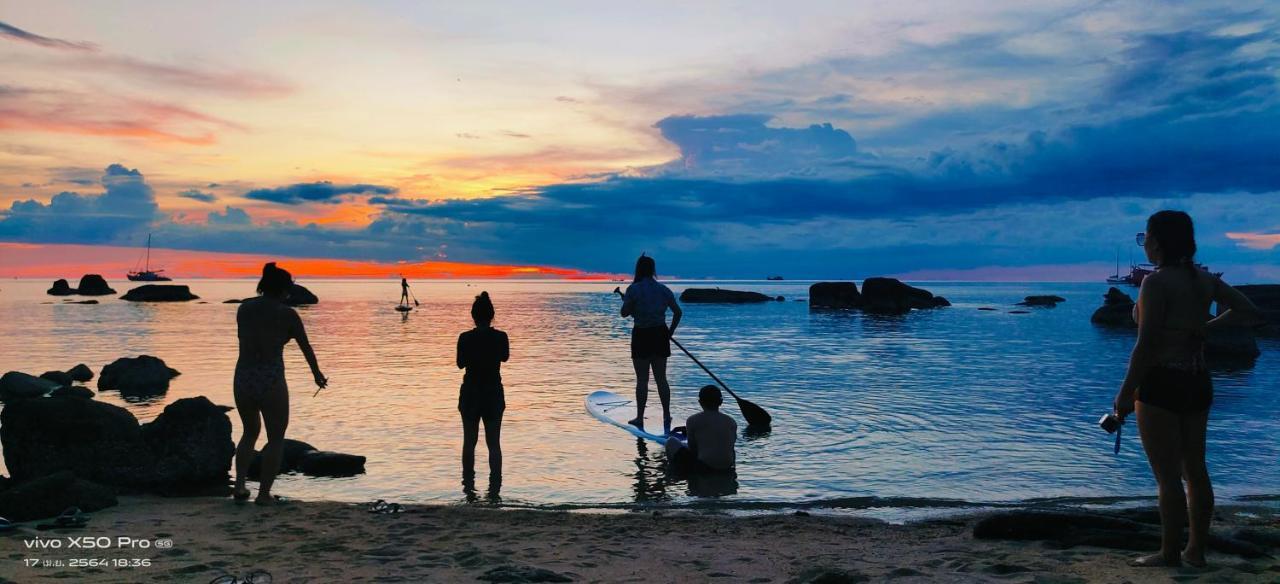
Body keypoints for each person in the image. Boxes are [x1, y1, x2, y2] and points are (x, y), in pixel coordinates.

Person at [1113, 211, 1260, 568]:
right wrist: (1206, 326)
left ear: (1158, 241)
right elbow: (1247, 309)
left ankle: (1168, 553)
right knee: (1196, 470)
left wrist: (1125, 393)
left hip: (1161, 382)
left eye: (1145, 236)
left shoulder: (1156, 283)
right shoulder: (1203, 280)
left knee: (1167, 477)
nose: (1143, 242)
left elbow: (1145, 346)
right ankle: (1195, 551)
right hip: (1198, 381)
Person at [233, 262, 327, 505]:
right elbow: (305, 346)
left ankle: (240, 487)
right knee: (276, 438)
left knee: (249, 432)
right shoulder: (287, 314)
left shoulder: (244, 309)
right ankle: (263, 495)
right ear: (284, 288)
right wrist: (316, 374)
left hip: (243, 376)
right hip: (271, 378)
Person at [620, 254, 682, 432]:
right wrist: (669, 333)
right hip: (660, 334)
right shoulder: (663, 290)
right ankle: (666, 414)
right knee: (661, 378)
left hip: (641, 335)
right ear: (653, 270)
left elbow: (624, 313)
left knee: (642, 380)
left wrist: (627, 304)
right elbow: (678, 313)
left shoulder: (634, 289)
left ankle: (639, 417)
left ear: (638, 269)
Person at [457, 291, 509, 495]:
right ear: (491, 315)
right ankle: (494, 491)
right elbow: (505, 357)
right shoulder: (501, 337)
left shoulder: (464, 338)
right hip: (493, 392)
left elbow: (460, 363)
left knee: (469, 442)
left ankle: (468, 489)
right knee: (494, 444)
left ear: (473, 316)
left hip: (471, 392)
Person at [665, 385, 737, 473]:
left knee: (671, 441)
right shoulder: (731, 422)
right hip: (727, 467)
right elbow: (731, 448)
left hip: (704, 467)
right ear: (721, 402)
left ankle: (674, 472)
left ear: (700, 402)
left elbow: (693, 449)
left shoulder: (693, 420)